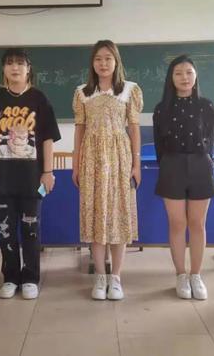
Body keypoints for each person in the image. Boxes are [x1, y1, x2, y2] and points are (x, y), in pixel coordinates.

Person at [0, 48, 61, 300]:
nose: (15, 67)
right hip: (1, 179)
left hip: (32, 179)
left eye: (20, 63)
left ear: (28, 68)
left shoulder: (39, 99)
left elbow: (47, 138)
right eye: (10, 63)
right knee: (6, 231)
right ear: (3, 69)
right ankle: (10, 277)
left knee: (31, 231)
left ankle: (31, 277)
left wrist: (48, 172)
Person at [72, 40, 143, 301]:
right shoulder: (82, 92)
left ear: (116, 62)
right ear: (92, 63)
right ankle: (100, 276)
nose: (103, 63)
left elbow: (133, 128)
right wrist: (76, 162)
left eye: (108, 58)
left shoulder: (129, 90)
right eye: (98, 59)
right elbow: (79, 129)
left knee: (118, 214)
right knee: (96, 215)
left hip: (120, 157)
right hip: (92, 158)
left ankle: (116, 277)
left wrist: (136, 164)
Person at [152, 55, 214, 300]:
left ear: (196, 75)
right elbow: (159, 145)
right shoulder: (162, 109)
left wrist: (202, 160)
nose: (184, 77)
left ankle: (196, 275)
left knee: (197, 223)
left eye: (189, 72)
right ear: (171, 78)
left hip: (200, 165)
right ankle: (181, 274)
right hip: (172, 165)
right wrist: (169, 164)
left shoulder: (206, 106)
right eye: (178, 73)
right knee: (177, 223)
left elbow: (210, 140)